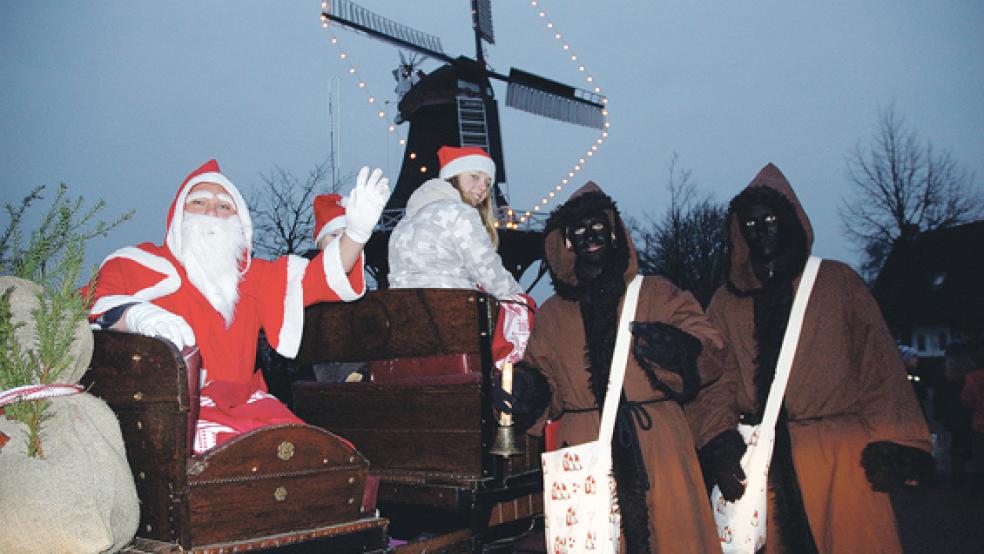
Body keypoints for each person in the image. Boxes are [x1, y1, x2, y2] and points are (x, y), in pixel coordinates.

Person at [686, 163, 933, 553]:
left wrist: (898, 441)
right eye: (750, 224)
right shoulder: (725, 301)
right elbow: (719, 384)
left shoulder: (837, 283)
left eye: (770, 218)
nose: (761, 229)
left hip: (839, 456)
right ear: (739, 232)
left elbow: (879, 365)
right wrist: (719, 441)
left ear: (789, 220)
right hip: (763, 460)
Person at [88, 159, 389, 452]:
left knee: (321, 458)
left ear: (239, 221)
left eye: (224, 206)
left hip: (248, 406)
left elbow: (319, 279)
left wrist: (357, 234)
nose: (212, 213)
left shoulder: (252, 278)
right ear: (179, 213)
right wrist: (135, 315)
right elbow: (91, 301)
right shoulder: (141, 263)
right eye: (199, 203)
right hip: (174, 411)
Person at [515, 182, 724, 553]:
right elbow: (543, 379)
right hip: (587, 446)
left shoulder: (657, 293)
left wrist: (678, 350)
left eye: (598, 226)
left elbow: (709, 343)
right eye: (578, 231)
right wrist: (526, 392)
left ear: (614, 232)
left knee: (674, 538)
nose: (589, 236)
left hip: (658, 444)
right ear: (566, 243)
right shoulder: (552, 315)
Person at [388, 145, 533, 366]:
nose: (482, 188)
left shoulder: (403, 223)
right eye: (474, 177)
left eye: (487, 182)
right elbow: (490, 273)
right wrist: (523, 300)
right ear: (452, 177)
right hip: (451, 325)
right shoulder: (460, 213)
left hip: (407, 328)